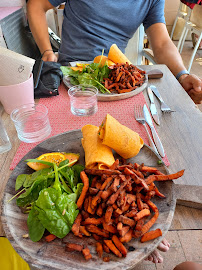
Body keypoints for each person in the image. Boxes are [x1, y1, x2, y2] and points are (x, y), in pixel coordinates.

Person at [26, 0, 202, 104]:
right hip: (70, 76)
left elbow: (162, 43)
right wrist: (47, 51)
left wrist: (182, 75)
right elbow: (36, 4)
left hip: (114, 84)